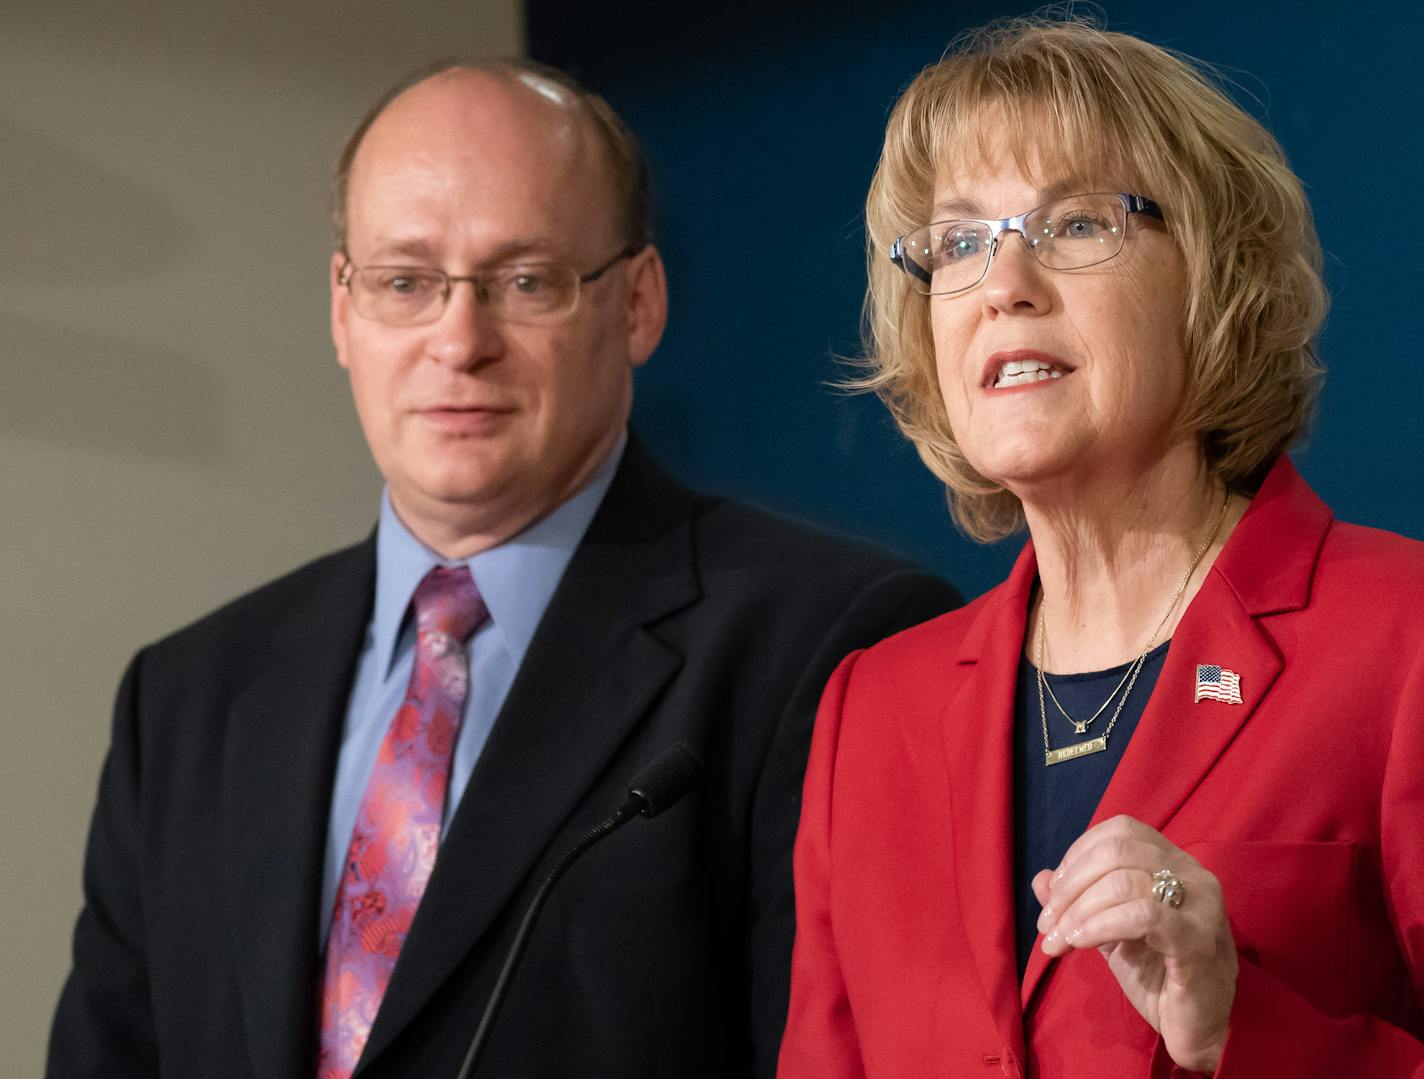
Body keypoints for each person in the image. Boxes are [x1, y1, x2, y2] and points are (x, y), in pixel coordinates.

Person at [48, 60, 960, 1079]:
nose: (459, 339)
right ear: (343, 310)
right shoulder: (185, 699)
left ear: (637, 305)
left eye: (525, 280)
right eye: (405, 282)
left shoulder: (828, 645)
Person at [777, 16, 1424, 1079]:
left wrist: (1235, 1026)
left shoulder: (1396, 640)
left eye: (1074, 224)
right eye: (957, 241)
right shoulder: (870, 710)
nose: (1004, 283)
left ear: (1214, 278)